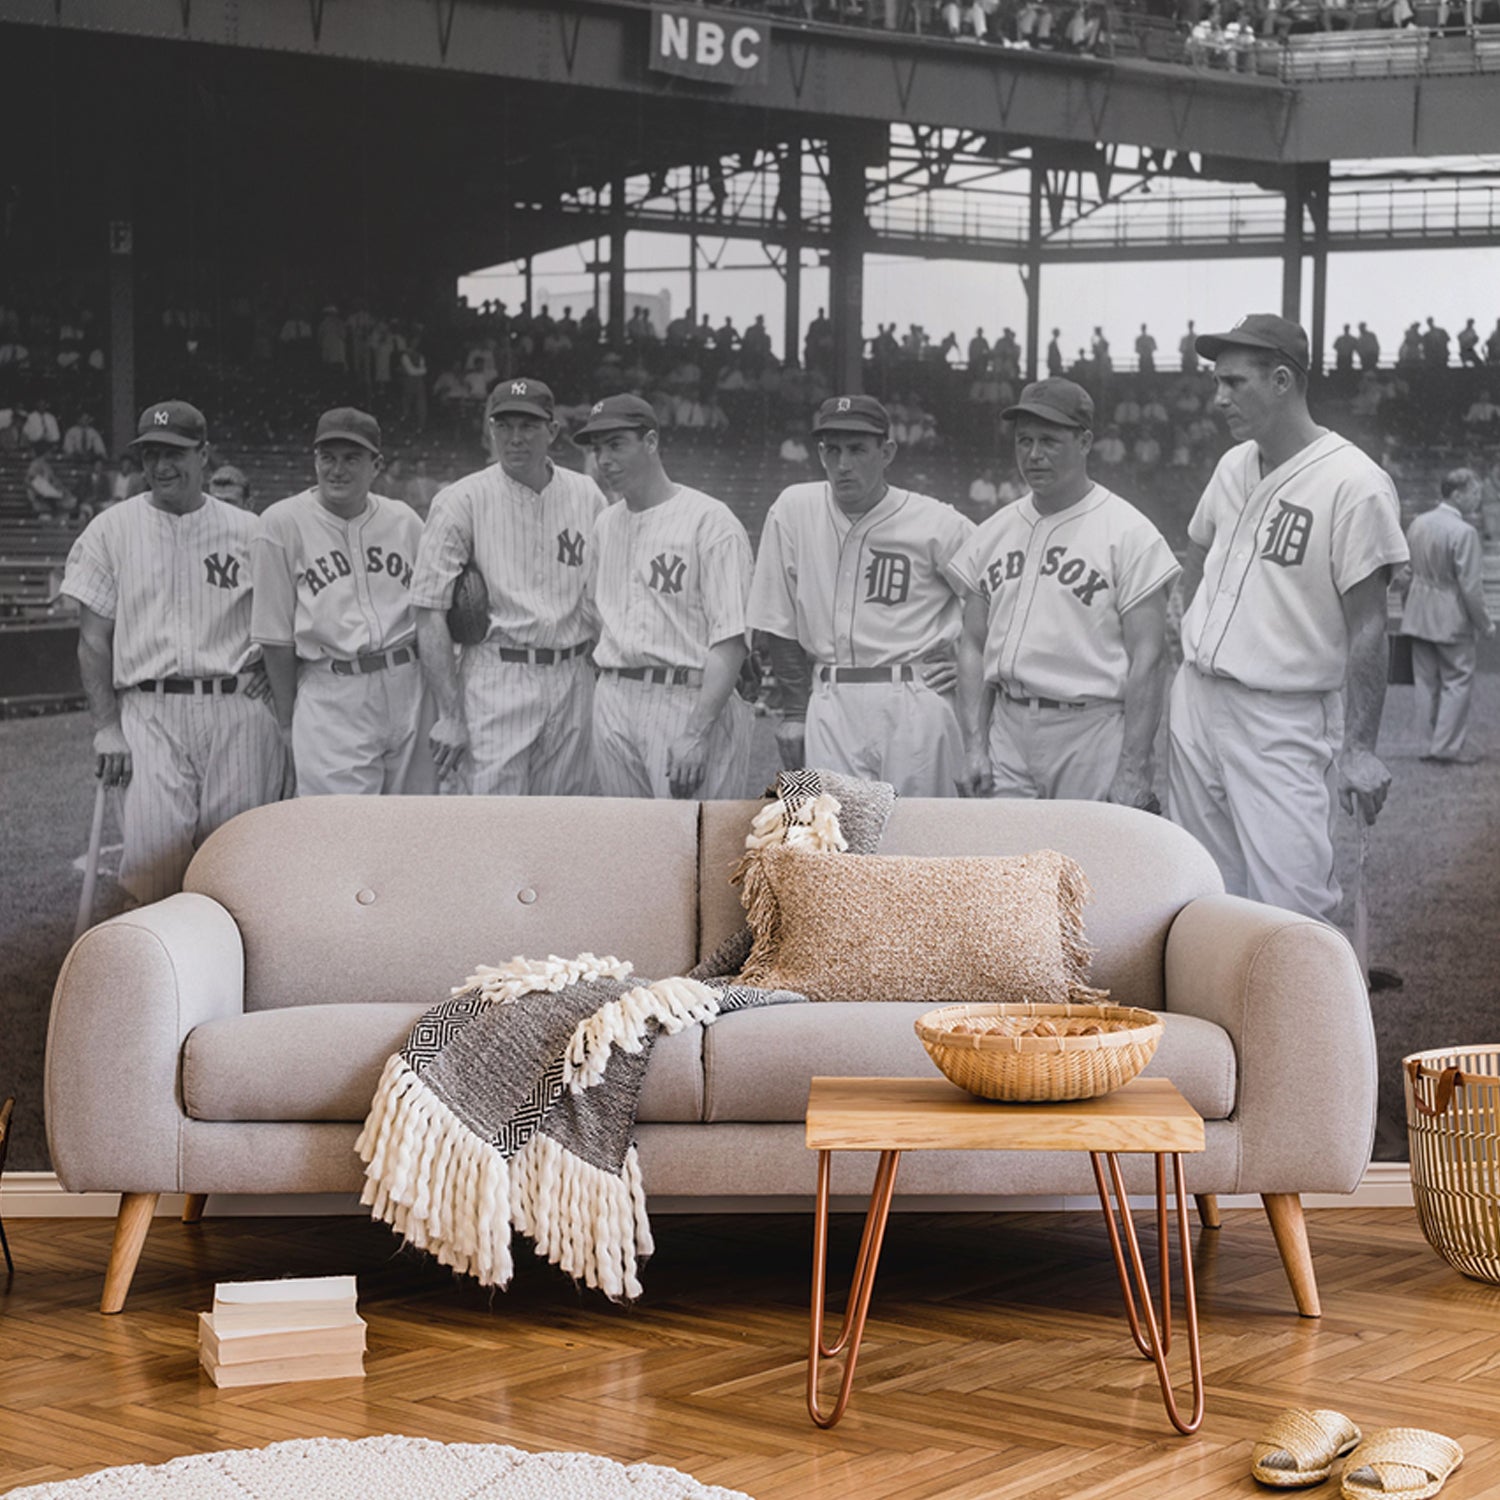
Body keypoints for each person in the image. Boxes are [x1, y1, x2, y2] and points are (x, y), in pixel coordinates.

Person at [1167, 315, 1409, 922]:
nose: (1218, 397)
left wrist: (1359, 748)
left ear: (1282, 380)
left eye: (1233, 383)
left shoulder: (1355, 483)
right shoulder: (1232, 465)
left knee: (1291, 904)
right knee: (1203, 894)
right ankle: (1223, 1020)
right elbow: (1197, 548)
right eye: (1217, 382)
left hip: (1283, 716)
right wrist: (1187, 622)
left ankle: (1299, 1018)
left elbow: (1370, 627)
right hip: (1197, 699)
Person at [59, 400, 284, 904]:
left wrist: (273, 672)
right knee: (156, 869)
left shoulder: (249, 530)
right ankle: (170, 978)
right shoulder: (110, 530)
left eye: (175, 453)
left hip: (237, 707)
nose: (161, 467)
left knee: (238, 863)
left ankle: (238, 980)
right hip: (149, 708)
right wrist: (106, 727)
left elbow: (283, 622)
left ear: (204, 455)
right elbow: (93, 639)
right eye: (151, 454)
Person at [951, 379, 1178, 804]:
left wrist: (1133, 767)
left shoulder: (1128, 532)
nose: (1034, 455)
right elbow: (973, 645)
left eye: (1050, 441)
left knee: (1090, 864)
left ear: (1086, 441)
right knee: (1006, 864)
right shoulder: (992, 532)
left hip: (1089, 730)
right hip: (1009, 725)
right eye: (1024, 442)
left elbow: (1150, 658)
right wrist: (974, 745)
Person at [748, 394, 975, 796]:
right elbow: (777, 618)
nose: (843, 465)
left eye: (857, 450)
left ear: (886, 452)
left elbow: (999, 597)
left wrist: (977, 665)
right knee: (833, 845)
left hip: (914, 697)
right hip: (829, 698)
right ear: (820, 453)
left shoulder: (938, 522)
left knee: (922, 845)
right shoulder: (793, 509)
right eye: (832, 451)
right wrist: (796, 711)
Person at [409, 378, 606, 795]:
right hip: (498, 673)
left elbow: (606, 592)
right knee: (492, 823)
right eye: (504, 426)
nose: (516, 438)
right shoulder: (460, 499)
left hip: (574, 673)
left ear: (552, 431)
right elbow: (429, 611)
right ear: (490, 430)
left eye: (529, 426)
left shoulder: (586, 494)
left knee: (566, 823)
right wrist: (449, 714)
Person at [573, 393, 754, 799]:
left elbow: (731, 637)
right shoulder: (604, 524)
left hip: (685, 697)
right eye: (598, 449)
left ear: (651, 442)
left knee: (698, 847)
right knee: (628, 846)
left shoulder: (710, 521)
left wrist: (696, 730)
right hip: (615, 695)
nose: (604, 460)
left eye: (616, 444)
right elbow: (596, 618)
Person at [251, 408, 435, 796]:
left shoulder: (405, 521)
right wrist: (288, 722)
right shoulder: (280, 523)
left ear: (376, 465)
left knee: (415, 830)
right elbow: (274, 638)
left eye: (352, 458)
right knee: (341, 835)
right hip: (332, 690)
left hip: (409, 684)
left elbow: (431, 614)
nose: (337, 469)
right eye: (327, 457)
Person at [1398, 469, 1493, 764]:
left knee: (1425, 681)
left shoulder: (1418, 523)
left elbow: (1406, 574)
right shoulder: (1464, 532)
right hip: (1451, 617)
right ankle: (1446, 747)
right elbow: (1470, 587)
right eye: (1474, 492)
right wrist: (1485, 623)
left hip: (1418, 612)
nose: (1478, 499)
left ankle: (1424, 744)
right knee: (1457, 680)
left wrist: (1408, 607)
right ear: (1457, 493)